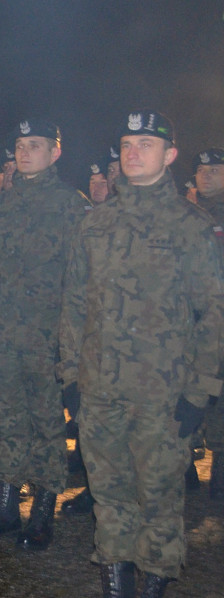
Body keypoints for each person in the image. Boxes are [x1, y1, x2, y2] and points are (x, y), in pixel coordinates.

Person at [60, 110, 224, 598]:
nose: (133, 152)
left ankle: (153, 587)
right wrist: (70, 374)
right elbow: (73, 304)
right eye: (127, 143)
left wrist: (200, 391)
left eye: (146, 144)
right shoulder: (95, 224)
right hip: (100, 390)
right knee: (109, 498)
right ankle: (117, 585)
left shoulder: (192, 226)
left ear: (169, 155)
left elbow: (212, 314)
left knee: (158, 500)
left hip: (163, 394)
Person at [0, 119, 90, 551]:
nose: (24, 152)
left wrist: (73, 349)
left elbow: (81, 283)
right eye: (19, 145)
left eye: (34, 145)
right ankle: (3, 507)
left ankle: (42, 512)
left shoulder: (73, 207)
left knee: (47, 428)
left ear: (55, 153)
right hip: (0, 338)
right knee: (5, 424)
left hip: (47, 341)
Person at [191, 147, 224, 499]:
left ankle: (220, 470)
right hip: (190, 323)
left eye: (215, 169)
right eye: (203, 171)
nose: (208, 175)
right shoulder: (186, 213)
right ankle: (184, 468)